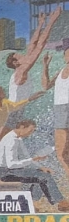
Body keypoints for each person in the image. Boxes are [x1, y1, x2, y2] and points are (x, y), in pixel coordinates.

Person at [0, 120, 68, 210]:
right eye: (30, 131)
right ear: (22, 127)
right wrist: (31, 160)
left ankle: (32, 203)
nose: (30, 133)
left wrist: (40, 167)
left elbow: (26, 157)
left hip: (12, 169)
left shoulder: (18, 138)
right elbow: (11, 164)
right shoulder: (11, 140)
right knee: (43, 177)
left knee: (41, 174)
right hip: (6, 172)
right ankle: (61, 202)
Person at [7, 8, 61, 105]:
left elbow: (33, 44)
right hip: (14, 110)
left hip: (15, 108)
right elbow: (40, 45)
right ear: (16, 63)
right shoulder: (21, 71)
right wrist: (52, 20)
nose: (25, 55)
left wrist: (40, 24)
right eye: (21, 56)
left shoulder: (21, 69)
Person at [44, 45, 69, 178]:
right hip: (60, 108)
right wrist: (45, 66)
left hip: (65, 107)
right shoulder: (60, 71)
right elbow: (46, 86)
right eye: (67, 54)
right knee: (61, 152)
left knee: (62, 152)